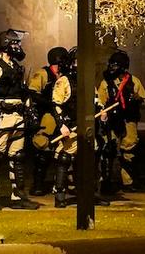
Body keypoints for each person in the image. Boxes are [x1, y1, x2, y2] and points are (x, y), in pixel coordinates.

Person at [0, 29, 38, 210]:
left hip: (18, 115)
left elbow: (23, 92)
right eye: (15, 43)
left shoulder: (16, 66)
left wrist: (29, 111)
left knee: (18, 156)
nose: (18, 46)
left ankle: (18, 194)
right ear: (6, 44)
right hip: (2, 115)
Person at [96, 50, 145, 193]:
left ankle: (128, 181)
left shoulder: (133, 81)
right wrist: (103, 114)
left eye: (115, 65)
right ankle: (106, 182)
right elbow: (100, 102)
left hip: (129, 120)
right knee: (109, 150)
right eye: (111, 64)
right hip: (112, 121)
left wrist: (137, 99)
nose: (112, 68)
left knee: (129, 149)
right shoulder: (106, 83)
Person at [27, 46, 69, 196]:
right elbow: (33, 93)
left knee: (66, 149)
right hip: (47, 115)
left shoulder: (66, 76)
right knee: (42, 148)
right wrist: (49, 103)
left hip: (63, 115)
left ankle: (64, 183)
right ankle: (38, 183)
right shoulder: (43, 74)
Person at [50, 47, 83, 208]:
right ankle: (60, 192)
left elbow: (95, 100)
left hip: (86, 126)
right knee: (65, 158)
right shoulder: (64, 81)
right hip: (70, 126)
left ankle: (88, 191)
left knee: (91, 157)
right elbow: (56, 104)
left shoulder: (87, 79)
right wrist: (62, 124)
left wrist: (101, 112)